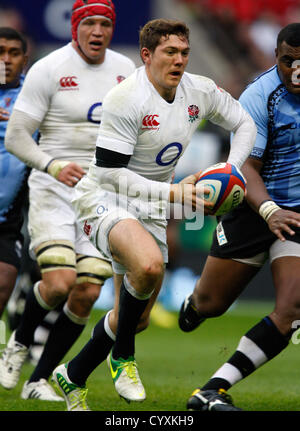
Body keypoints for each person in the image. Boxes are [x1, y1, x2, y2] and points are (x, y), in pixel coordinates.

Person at [50, 18, 257, 411]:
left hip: (152, 204)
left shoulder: (200, 90)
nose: (179, 60)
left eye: (184, 52)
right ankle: (123, 357)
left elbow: (244, 123)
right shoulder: (126, 98)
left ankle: (72, 374)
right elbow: (110, 172)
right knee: (147, 267)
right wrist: (175, 191)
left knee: (135, 317)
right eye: (169, 52)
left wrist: (229, 169)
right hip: (104, 196)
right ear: (146, 55)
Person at [0, 0, 135, 402]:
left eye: (105, 24)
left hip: (99, 194)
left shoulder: (126, 71)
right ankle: (19, 343)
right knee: (59, 283)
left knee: (89, 291)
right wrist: (53, 165)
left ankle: (38, 381)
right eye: (89, 23)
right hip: (53, 189)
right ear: (75, 26)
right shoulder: (48, 68)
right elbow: (16, 137)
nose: (98, 31)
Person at [178, 22, 300, 412]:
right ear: (275, 56)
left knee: (292, 310)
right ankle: (195, 302)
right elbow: (246, 165)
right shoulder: (259, 95)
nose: (296, 71)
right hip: (255, 207)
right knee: (213, 303)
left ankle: (211, 390)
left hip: (296, 217)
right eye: (287, 62)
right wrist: (269, 210)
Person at [0, 27, 31, 317]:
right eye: (0, 52)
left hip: (7, 219)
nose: (6, 60)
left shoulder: (33, 97)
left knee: (5, 278)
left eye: (13, 53)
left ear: (25, 58)